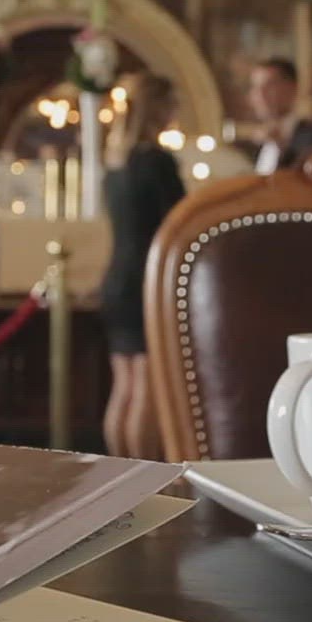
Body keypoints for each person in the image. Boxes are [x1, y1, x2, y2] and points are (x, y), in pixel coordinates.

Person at [100, 74, 187, 459]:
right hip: (146, 280)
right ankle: (144, 473)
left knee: (124, 385)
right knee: (147, 385)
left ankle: (121, 469)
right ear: (158, 108)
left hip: (116, 276)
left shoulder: (115, 164)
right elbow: (178, 222)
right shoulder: (156, 161)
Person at [247, 57, 312, 174]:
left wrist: (281, 145)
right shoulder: (258, 142)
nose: (260, 94)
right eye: (255, 87)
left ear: (292, 88)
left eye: (269, 86)